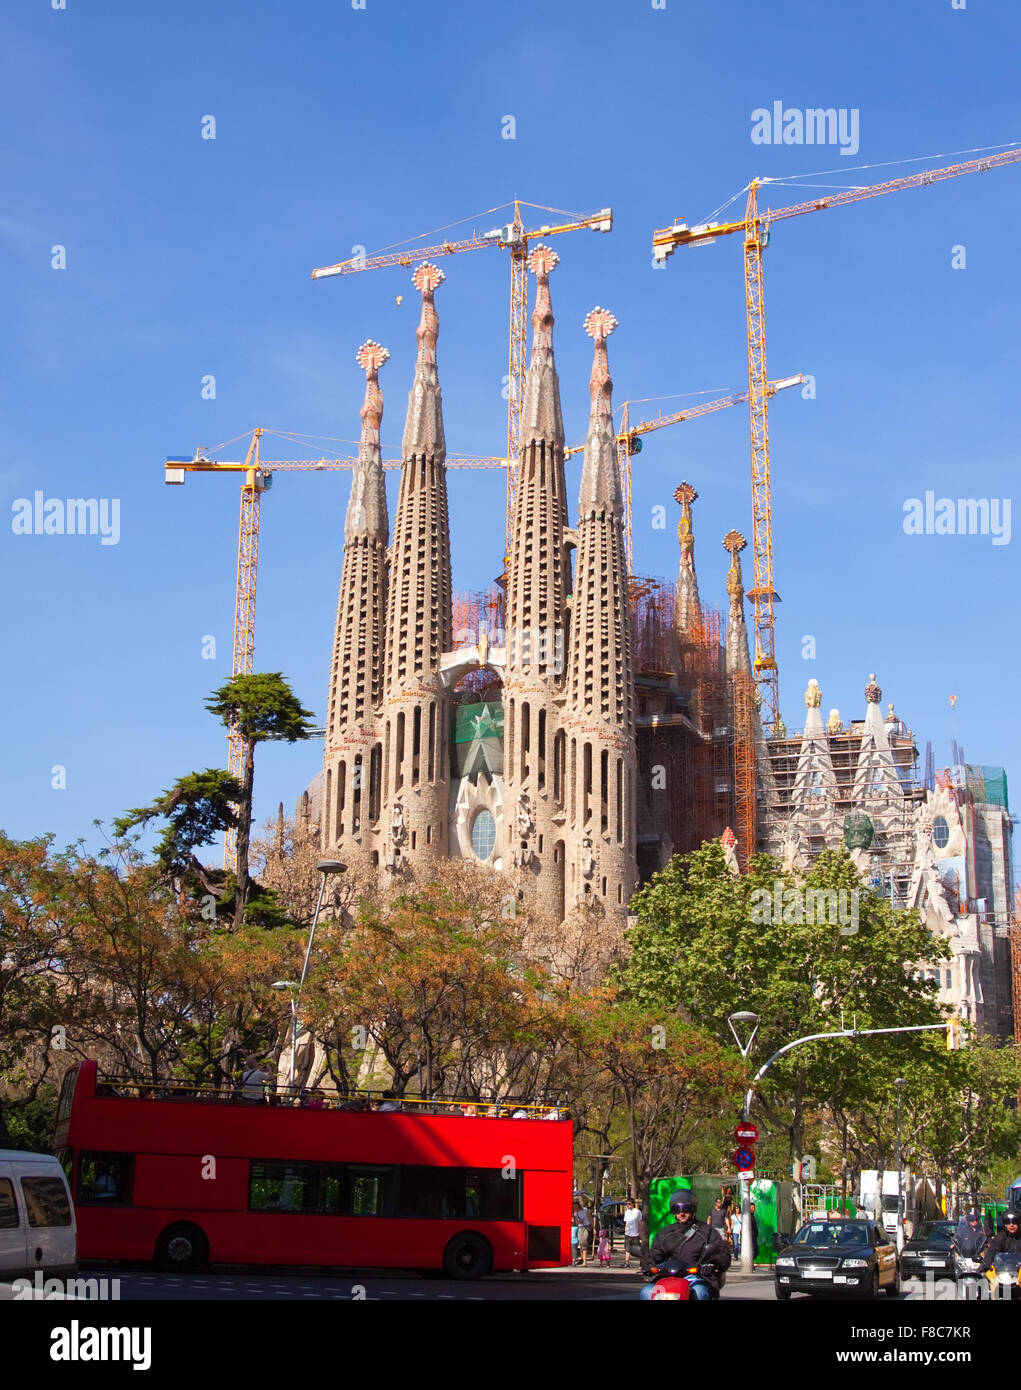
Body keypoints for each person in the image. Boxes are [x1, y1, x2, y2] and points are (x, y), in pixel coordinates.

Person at [645, 1194, 731, 1296]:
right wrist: (648, 1265)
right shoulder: (665, 1233)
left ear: (693, 1209)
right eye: (677, 1209)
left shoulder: (707, 1232)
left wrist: (712, 1264)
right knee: (646, 1292)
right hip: (668, 1278)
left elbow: (722, 1254)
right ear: (673, 1212)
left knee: (700, 1293)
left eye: (686, 1209)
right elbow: (655, 1253)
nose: (682, 1213)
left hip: (695, 1278)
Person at [977, 1209, 1021, 1274]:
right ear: (1005, 1224)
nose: (1011, 1225)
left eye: (1014, 1221)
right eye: (1008, 1222)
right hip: (1003, 1272)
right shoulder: (1001, 1237)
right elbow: (991, 1251)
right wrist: (984, 1266)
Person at [623, 1197, 642, 1270]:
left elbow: (640, 1222)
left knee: (638, 1249)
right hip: (628, 1233)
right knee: (627, 1249)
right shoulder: (626, 1212)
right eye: (627, 1204)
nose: (628, 1205)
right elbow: (626, 1222)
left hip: (635, 1233)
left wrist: (640, 1232)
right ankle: (627, 1262)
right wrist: (625, 1231)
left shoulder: (637, 1212)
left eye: (629, 1204)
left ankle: (641, 1263)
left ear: (633, 1204)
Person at [575, 1197, 593, 1267]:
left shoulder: (585, 1210)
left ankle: (585, 1262)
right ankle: (582, 1259)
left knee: (584, 1242)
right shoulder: (576, 1213)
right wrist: (579, 1221)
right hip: (580, 1227)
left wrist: (593, 1228)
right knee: (581, 1244)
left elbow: (590, 1219)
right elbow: (576, 1222)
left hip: (586, 1227)